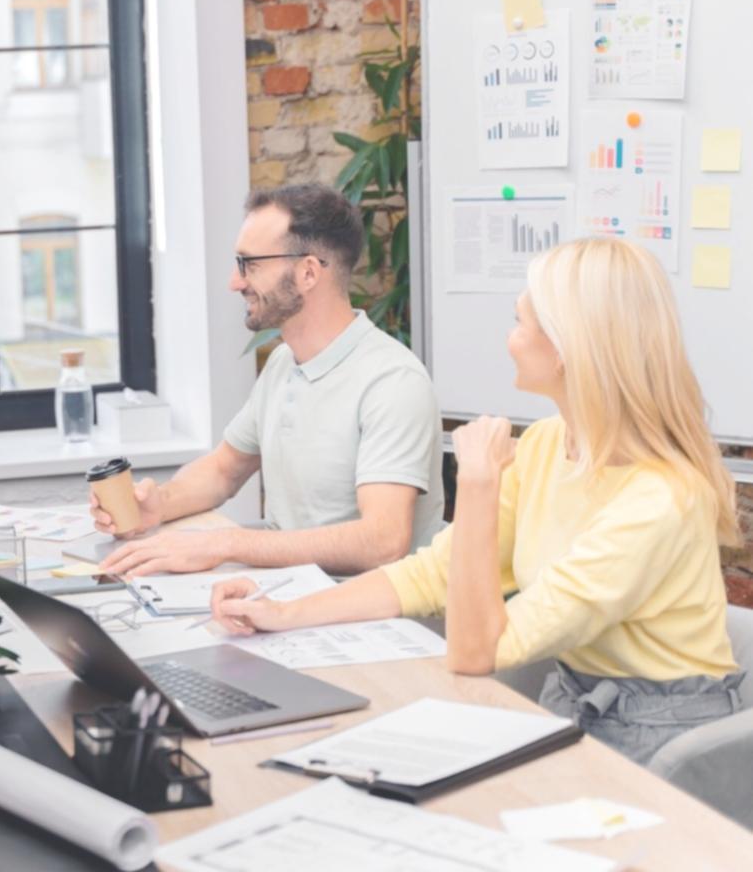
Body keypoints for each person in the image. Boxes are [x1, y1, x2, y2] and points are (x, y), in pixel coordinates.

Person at [211, 237, 743, 764]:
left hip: (667, 741)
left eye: (519, 322)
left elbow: (476, 652)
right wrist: (285, 613)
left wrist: (479, 484)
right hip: (575, 701)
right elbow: (432, 575)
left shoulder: (660, 500)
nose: (509, 339)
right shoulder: (548, 443)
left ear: (566, 350)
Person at [95, 183, 444, 578]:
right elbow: (225, 469)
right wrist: (158, 504)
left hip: (364, 607)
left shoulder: (392, 382)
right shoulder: (283, 363)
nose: (235, 281)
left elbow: (383, 541)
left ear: (308, 272)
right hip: (289, 594)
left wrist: (226, 544)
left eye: (250, 264)